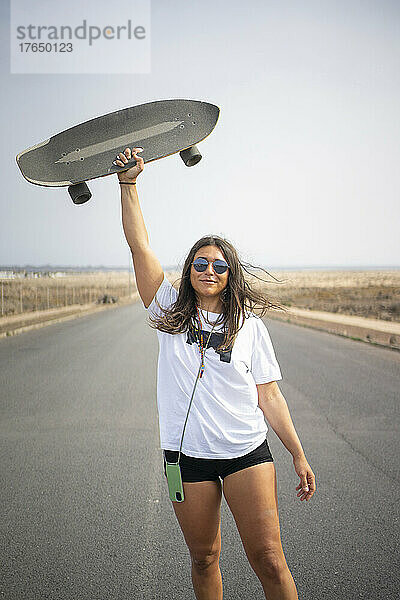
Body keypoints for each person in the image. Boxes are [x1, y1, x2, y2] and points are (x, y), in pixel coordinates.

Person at [116, 146, 316, 600]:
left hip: (246, 451)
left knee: (269, 559)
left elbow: (271, 397)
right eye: (200, 263)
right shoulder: (168, 309)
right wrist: (129, 185)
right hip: (186, 459)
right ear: (188, 272)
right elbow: (139, 245)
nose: (209, 270)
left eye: (219, 265)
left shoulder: (249, 326)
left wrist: (298, 454)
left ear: (230, 274)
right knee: (204, 558)